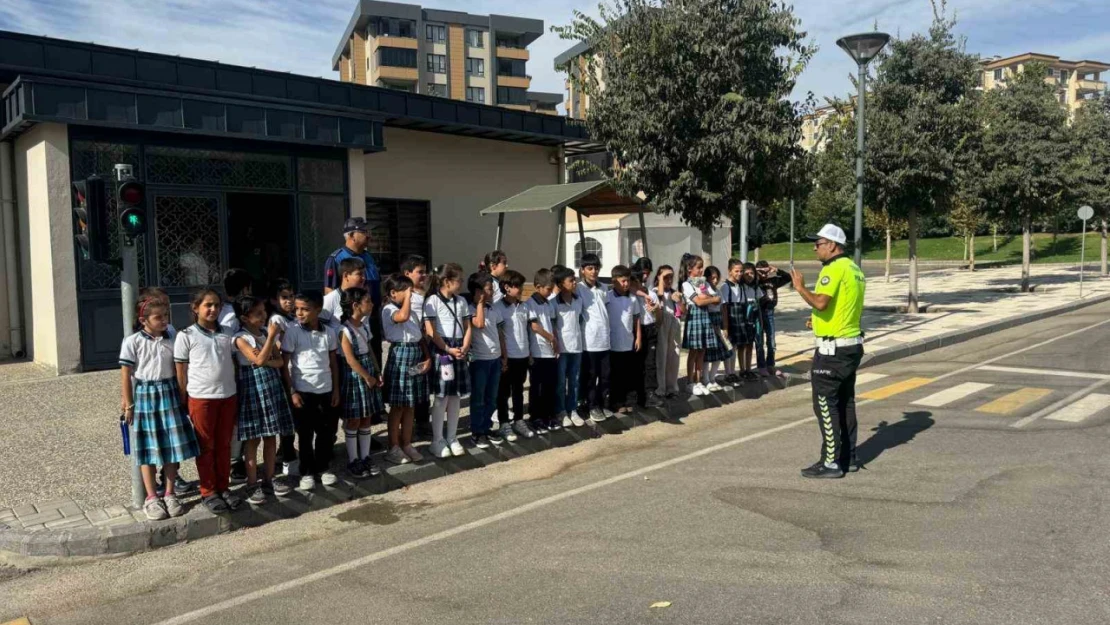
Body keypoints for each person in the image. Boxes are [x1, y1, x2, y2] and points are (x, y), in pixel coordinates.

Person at [790, 224, 866, 479]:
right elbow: (842, 307)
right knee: (845, 402)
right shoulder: (855, 269)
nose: (815, 248)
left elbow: (821, 302)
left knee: (825, 403)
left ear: (832, 245)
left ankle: (831, 462)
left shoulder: (833, 269)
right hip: (850, 344)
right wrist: (819, 321)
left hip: (833, 351)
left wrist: (800, 287)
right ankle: (849, 457)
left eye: (819, 243)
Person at [120, 298, 200, 520]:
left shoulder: (173, 337)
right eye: (158, 317)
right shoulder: (133, 341)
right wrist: (128, 403)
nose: (164, 320)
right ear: (143, 320)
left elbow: (180, 366)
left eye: (166, 316)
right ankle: (151, 497)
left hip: (169, 391)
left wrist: (183, 394)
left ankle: (170, 492)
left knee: (172, 444)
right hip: (145, 394)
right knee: (147, 447)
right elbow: (126, 374)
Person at [174, 289, 242, 513]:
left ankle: (224, 487)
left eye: (217, 305)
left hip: (227, 395)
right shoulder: (186, 336)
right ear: (195, 308)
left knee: (224, 445)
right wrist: (183, 397)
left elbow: (234, 362)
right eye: (208, 305)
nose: (213, 309)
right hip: (202, 397)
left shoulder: (228, 333)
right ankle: (208, 490)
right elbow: (181, 370)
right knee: (206, 445)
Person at [231, 296, 295, 504]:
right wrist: (270, 341)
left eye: (263, 312)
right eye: (257, 314)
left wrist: (265, 354)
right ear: (245, 317)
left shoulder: (266, 332)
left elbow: (278, 362)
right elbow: (257, 359)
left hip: (271, 386)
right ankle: (252, 483)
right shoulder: (241, 338)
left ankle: (269, 478)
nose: (263, 317)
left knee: (270, 436)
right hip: (252, 389)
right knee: (252, 439)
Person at [280, 291, 341, 490]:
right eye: (297, 309)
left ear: (317, 310)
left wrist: (336, 390)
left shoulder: (329, 333)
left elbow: (333, 362)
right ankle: (306, 471)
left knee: (325, 432)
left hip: (325, 389)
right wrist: (293, 392)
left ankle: (323, 468)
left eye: (305, 309)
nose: (299, 313)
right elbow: (285, 364)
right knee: (305, 434)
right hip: (303, 391)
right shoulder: (292, 331)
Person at [380, 274, 432, 464]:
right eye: (406, 291)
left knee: (410, 404)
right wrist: (409, 297)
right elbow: (402, 317)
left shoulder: (413, 312)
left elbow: (419, 336)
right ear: (393, 293)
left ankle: (407, 443)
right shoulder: (389, 309)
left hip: (415, 354)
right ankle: (393, 446)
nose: (411, 294)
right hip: (400, 355)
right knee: (398, 405)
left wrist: (427, 357)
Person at [424, 263, 472, 455]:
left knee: (455, 396)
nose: (461, 283)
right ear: (446, 281)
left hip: (459, 348)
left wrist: (465, 346)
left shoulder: (461, 301)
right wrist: (448, 349)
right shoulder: (432, 301)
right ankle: (438, 440)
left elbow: (468, 326)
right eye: (458, 279)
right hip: (443, 350)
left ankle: (452, 437)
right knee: (441, 397)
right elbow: (431, 330)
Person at [337, 287, 385, 478]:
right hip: (354, 376)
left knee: (367, 417)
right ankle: (353, 459)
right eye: (368, 301)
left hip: (368, 371)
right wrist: (367, 376)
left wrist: (377, 371)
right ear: (355, 305)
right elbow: (350, 359)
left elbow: (371, 350)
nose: (372, 304)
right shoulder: (344, 330)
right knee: (354, 418)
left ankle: (365, 456)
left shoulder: (364, 326)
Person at [324, 217, 382, 362]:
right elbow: (329, 290)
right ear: (351, 236)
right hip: (352, 320)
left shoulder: (368, 256)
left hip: (371, 316)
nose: (369, 235)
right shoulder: (336, 258)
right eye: (364, 232)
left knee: (374, 355)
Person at [219, 268, 253, 484]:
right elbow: (230, 347)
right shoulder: (233, 315)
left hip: (230, 370)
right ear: (245, 288)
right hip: (236, 370)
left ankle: (234, 458)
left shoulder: (223, 310)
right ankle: (234, 461)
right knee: (236, 420)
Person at [266, 278, 299, 477]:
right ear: (274, 300)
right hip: (283, 373)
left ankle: (283, 451)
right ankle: (287, 456)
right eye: (284, 298)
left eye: (291, 297)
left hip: (295, 371)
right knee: (288, 418)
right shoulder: (276, 320)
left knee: (293, 417)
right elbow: (277, 347)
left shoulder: (293, 318)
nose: (289, 301)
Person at [467, 272, 504, 452]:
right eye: (489, 288)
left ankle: (487, 427)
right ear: (479, 291)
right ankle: (476, 431)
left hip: (495, 359)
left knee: (492, 397)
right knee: (479, 398)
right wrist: (480, 303)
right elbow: (479, 324)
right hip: (480, 360)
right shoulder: (469, 308)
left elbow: (500, 334)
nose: (492, 291)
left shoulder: (493, 309)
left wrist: (503, 356)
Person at [496, 270, 533, 440]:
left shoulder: (524, 306)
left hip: (523, 356)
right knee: (503, 392)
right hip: (507, 357)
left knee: (518, 390)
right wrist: (503, 358)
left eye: (521, 285)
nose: (520, 289)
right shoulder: (498, 307)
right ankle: (504, 423)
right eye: (516, 286)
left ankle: (519, 420)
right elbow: (499, 334)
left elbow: (527, 331)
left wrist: (530, 353)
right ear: (506, 287)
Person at [576, 253, 612, 422]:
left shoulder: (604, 288)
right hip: (589, 342)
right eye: (590, 268)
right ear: (583, 270)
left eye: (596, 268)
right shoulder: (579, 289)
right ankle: (588, 405)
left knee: (605, 375)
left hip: (605, 340)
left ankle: (600, 403)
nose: (594, 271)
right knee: (589, 376)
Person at [401, 255, 433, 441]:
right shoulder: (406, 298)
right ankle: (407, 424)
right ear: (407, 273)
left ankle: (422, 422)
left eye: (424, 271)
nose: (424, 276)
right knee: (409, 384)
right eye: (419, 272)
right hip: (412, 347)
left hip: (426, 346)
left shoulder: (426, 296)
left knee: (423, 386)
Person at [679, 254, 720, 397]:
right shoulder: (686, 284)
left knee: (702, 351)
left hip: (705, 318)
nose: (702, 270)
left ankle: (699, 380)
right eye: (698, 267)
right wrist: (709, 298)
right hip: (694, 318)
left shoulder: (704, 283)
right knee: (694, 352)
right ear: (690, 269)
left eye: (702, 267)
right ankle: (690, 381)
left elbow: (717, 299)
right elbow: (699, 301)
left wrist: (708, 297)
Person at [605, 265, 642, 414]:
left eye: (627, 281)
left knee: (628, 374)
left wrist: (638, 337)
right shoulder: (608, 297)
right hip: (613, 344)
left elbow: (636, 318)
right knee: (615, 375)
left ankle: (627, 400)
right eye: (623, 281)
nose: (626, 284)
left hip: (628, 342)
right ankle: (615, 402)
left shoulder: (633, 299)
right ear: (614, 281)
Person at [527, 269, 561, 432]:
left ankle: (549, 416)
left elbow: (552, 325)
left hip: (549, 352)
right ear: (538, 286)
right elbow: (535, 326)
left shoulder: (549, 304)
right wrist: (551, 338)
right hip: (537, 351)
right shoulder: (530, 303)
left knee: (550, 386)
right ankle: (535, 417)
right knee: (537, 387)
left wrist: (555, 341)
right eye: (548, 289)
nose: (550, 292)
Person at [553, 266, 586, 428]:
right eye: (571, 280)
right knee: (560, 382)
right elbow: (553, 326)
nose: (575, 282)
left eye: (575, 279)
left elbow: (579, 321)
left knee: (574, 381)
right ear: (560, 284)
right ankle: (561, 411)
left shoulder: (578, 300)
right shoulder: (554, 303)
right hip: (562, 349)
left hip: (576, 348)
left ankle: (572, 409)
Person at [631, 260, 662, 407]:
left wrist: (656, 309)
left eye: (647, 272)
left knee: (650, 364)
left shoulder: (652, 293)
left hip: (650, 329)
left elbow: (658, 316)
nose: (645, 275)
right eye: (642, 272)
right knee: (636, 364)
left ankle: (650, 393)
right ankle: (637, 393)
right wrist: (643, 294)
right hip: (636, 330)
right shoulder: (631, 293)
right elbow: (631, 287)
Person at [723, 260, 761, 382]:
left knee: (737, 346)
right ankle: (729, 373)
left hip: (740, 319)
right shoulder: (725, 287)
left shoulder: (740, 286)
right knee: (730, 347)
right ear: (730, 271)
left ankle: (736, 372)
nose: (739, 274)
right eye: (736, 271)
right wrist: (725, 327)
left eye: (741, 271)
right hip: (730, 319)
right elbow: (724, 308)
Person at [755, 260, 791, 377]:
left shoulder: (772, 281)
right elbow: (746, 278)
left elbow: (788, 277)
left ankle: (770, 365)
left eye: (766, 272)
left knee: (771, 341)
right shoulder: (755, 281)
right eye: (761, 273)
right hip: (759, 312)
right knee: (759, 341)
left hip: (769, 312)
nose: (764, 275)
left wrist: (776, 270)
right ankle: (761, 366)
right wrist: (757, 272)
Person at [652, 265, 682, 399]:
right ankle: (660, 388)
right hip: (662, 324)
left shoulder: (674, 292)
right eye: (666, 277)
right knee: (661, 357)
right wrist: (661, 280)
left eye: (671, 277)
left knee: (673, 357)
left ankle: (672, 387)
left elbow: (683, 312)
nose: (669, 280)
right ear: (659, 277)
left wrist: (680, 302)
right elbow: (659, 298)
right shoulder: (655, 291)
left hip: (674, 325)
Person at [701, 266, 732, 392]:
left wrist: (725, 326)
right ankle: (705, 379)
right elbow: (709, 303)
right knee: (708, 354)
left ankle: (712, 378)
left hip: (718, 322)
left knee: (720, 352)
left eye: (716, 277)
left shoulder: (718, 291)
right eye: (712, 277)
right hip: (709, 321)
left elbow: (722, 308)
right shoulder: (705, 290)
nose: (714, 280)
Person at [323, 257, 365, 326]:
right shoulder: (329, 300)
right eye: (359, 274)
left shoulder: (365, 299)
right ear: (345, 276)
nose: (363, 278)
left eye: (364, 274)